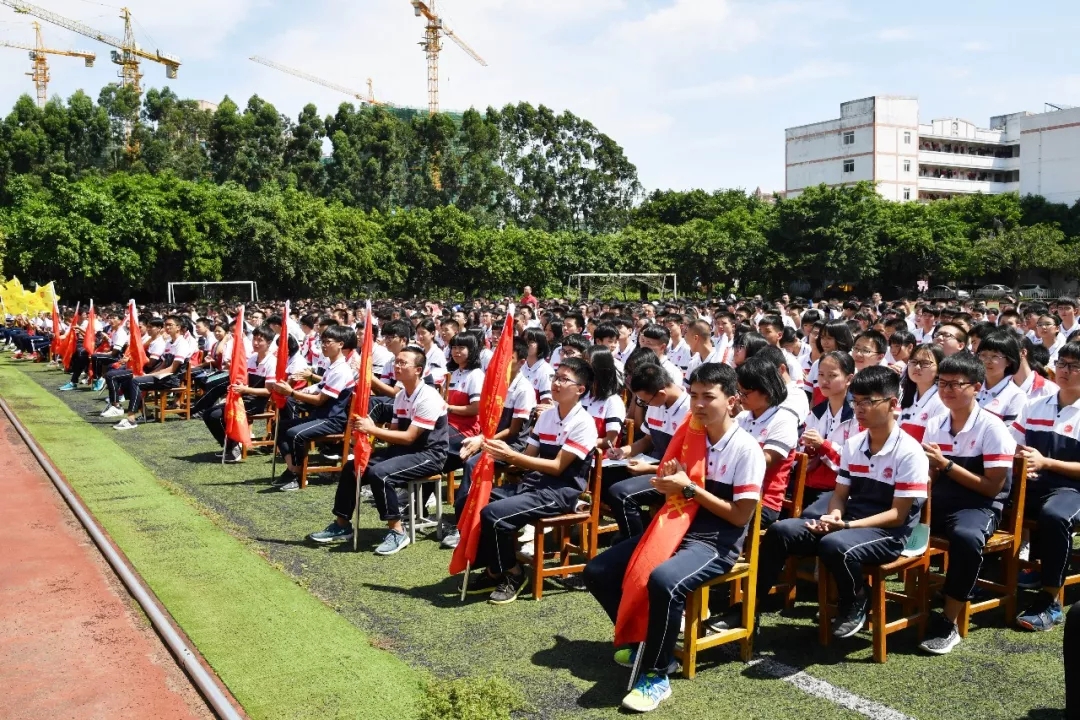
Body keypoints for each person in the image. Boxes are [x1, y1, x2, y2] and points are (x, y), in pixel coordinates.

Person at [583, 362, 765, 713]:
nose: (698, 404)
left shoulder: (746, 449)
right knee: (598, 571)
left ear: (731, 400)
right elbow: (675, 493)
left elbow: (741, 516)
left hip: (716, 541)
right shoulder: (691, 437)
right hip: (677, 525)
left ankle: (657, 674)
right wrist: (667, 484)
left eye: (708, 397)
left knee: (663, 580)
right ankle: (645, 641)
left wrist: (690, 488)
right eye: (694, 395)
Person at [749, 366, 930, 640]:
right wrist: (834, 515)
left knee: (834, 544)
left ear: (893, 404)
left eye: (868, 402)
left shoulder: (909, 451)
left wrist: (845, 525)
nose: (859, 408)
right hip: (851, 523)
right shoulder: (855, 444)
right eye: (855, 401)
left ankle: (856, 597)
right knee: (781, 531)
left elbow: (897, 515)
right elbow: (840, 494)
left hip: (890, 534)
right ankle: (752, 606)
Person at [460, 357, 599, 605]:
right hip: (533, 485)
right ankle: (494, 567)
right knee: (469, 500)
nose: (556, 382)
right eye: (556, 376)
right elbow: (528, 458)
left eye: (564, 379)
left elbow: (557, 468)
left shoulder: (583, 423)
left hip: (559, 492)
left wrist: (511, 455)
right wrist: (488, 446)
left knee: (494, 514)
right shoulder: (546, 416)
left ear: (580, 389)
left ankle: (512, 572)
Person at [919, 351, 1016, 654]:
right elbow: (931, 475)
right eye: (942, 383)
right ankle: (865, 601)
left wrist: (946, 465)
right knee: (895, 517)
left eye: (955, 384)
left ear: (976, 387)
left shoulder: (992, 427)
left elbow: (991, 488)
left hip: (978, 507)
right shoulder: (935, 424)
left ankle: (948, 620)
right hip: (942, 503)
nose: (947, 390)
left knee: (966, 537)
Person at [309, 346, 448, 554]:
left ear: (418, 370)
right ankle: (342, 524)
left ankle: (397, 531)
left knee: (380, 473)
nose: (397, 366)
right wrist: (368, 429)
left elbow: (410, 437)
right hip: (405, 450)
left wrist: (372, 429)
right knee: (352, 467)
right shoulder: (401, 396)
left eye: (403, 363)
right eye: (396, 362)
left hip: (430, 454)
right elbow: (393, 433)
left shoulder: (428, 396)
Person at [1010, 341, 1080, 631]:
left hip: (1073, 489)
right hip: (1034, 483)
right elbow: (1013, 444)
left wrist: (1047, 463)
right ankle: (977, 580)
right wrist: (1022, 457)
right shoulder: (1035, 405)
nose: (1065, 370)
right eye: (1062, 363)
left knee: (1055, 516)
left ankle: (1050, 599)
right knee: (989, 500)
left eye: (1074, 366)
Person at [441, 338, 536, 550]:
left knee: (472, 464)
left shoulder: (523, 389)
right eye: (498, 359)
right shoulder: (496, 384)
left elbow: (513, 431)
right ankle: (465, 515)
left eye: (508, 360)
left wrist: (483, 441)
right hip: (491, 438)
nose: (501, 364)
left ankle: (464, 526)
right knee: (454, 452)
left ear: (521, 362)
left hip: (512, 444)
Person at [604, 362, 690, 539]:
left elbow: (688, 463)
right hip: (652, 465)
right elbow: (647, 440)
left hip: (672, 475)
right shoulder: (655, 404)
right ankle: (641, 527)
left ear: (660, 394)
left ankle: (633, 541)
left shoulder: (689, 411)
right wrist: (625, 451)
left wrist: (649, 469)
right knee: (602, 476)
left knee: (621, 494)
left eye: (644, 401)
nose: (642, 404)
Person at [268, 324, 357, 491]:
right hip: (322, 416)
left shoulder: (341, 370)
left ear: (341, 344)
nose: (323, 345)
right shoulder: (333, 367)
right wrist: (294, 390)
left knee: (295, 434)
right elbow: (317, 388)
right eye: (322, 341)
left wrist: (292, 393)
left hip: (332, 420)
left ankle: (298, 474)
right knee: (280, 426)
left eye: (328, 342)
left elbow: (319, 400)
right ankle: (293, 468)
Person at [735, 355, 799, 529]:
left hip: (764, 501)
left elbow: (761, 463)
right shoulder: (741, 418)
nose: (740, 397)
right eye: (739, 391)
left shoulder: (784, 421)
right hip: (733, 493)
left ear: (767, 390)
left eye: (745, 393)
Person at [204, 324, 277, 463]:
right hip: (242, 398)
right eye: (254, 339)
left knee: (215, 415)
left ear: (269, 342)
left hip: (256, 402)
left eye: (260, 340)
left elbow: (268, 391)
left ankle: (233, 447)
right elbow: (242, 380)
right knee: (208, 414)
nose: (255, 343)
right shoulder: (251, 358)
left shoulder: (271, 362)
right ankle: (229, 445)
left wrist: (245, 390)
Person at [112, 315, 194, 431]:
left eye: (170, 325)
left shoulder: (182, 344)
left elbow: (172, 369)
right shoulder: (169, 343)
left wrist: (150, 375)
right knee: (127, 382)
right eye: (166, 325)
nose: (167, 327)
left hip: (172, 379)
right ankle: (146, 414)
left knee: (135, 381)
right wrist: (149, 374)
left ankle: (131, 419)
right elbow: (164, 364)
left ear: (178, 327)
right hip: (163, 376)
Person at [800, 351, 858, 511]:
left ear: (849, 379)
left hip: (840, 490)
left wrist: (823, 445)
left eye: (832, 375)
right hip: (809, 483)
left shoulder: (857, 416)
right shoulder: (815, 413)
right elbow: (803, 453)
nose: (824, 381)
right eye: (821, 374)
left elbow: (854, 460)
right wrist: (809, 449)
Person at [975, 330, 1027, 425]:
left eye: (995, 356)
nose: (987, 361)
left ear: (1009, 361)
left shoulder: (1016, 396)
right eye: (983, 355)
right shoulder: (971, 386)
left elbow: (1010, 434)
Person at [898, 344, 947, 442]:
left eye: (925, 363)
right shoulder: (907, 396)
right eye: (913, 362)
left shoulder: (942, 402)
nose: (917, 367)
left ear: (939, 370)